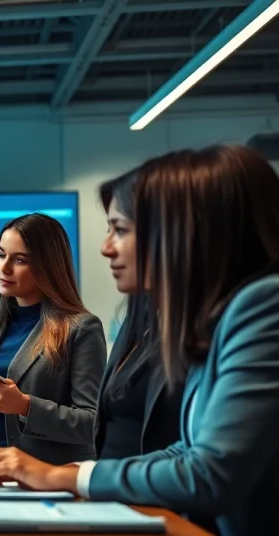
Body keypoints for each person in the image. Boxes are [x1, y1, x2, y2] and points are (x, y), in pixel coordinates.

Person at [0, 145, 279, 536]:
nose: (107, 248)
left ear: (184, 231)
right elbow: (189, 450)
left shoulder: (272, 303)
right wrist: (73, 474)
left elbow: (209, 472)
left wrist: (65, 477)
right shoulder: (217, 313)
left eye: (121, 229)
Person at [0, 213, 105, 465]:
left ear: (47, 266)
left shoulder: (81, 328)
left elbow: (92, 423)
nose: (3, 268)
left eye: (19, 260)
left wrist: (24, 406)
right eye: (1, 254)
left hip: (44, 476)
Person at [93, 172, 180, 459]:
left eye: (119, 230)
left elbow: (200, 461)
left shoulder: (208, 324)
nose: (106, 248)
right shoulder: (140, 310)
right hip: (115, 497)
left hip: (156, 499)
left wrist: (73, 476)